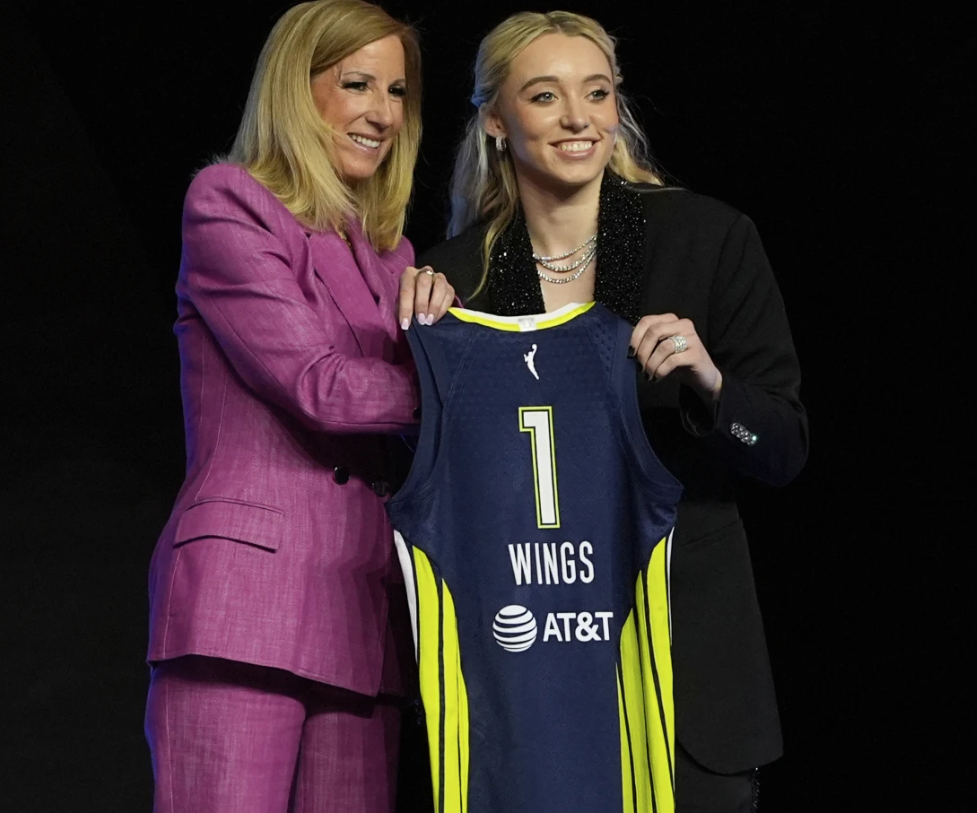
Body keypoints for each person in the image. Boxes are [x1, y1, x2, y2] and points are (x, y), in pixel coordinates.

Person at [418, 11, 808, 812]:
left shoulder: (704, 238)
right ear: (495, 119)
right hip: (534, 687)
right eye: (545, 95)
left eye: (596, 94)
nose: (577, 119)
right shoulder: (456, 279)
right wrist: (417, 329)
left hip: (686, 678)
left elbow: (783, 445)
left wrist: (712, 386)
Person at [144, 2, 453, 811]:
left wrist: (460, 340)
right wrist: (469, 384)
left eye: (396, 91)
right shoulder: (229, 202)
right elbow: (320, 385)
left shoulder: (396, 256)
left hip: (364, 612)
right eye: (356, 84)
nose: (382, 112)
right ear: (294, 88)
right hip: (246, 602)